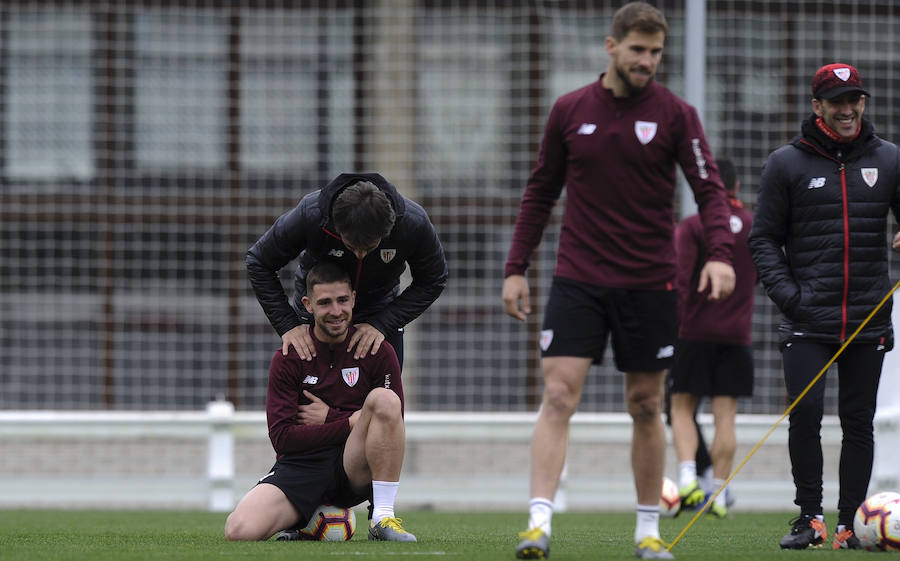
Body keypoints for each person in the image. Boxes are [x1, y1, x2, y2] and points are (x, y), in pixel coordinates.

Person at [502, 3, 736, 559]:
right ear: (612, 47)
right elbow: (540, 193)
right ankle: (538, 523)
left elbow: (709, 190)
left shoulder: (678, 115)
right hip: (578, 279)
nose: (647, 62)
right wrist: (515, 267)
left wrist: (721, 253)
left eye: (656, 53)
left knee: (645, 405)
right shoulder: (570, 110)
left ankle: (648, 531)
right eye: (637, 50)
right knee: (558, 395)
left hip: (650, 283)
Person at [749, 63, 900, 550]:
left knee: (858, 421)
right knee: (805, 414)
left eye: (855, 99)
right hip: (807, 319)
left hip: (867, 317)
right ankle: (809, 519)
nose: (848, 109)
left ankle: (847, 526)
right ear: (817, 107)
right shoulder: (785, 164)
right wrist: (791, 297)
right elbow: (763, 240)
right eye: (837, 101)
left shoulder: (890, 159)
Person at [224, 261, 417, 542]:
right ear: (308, 304)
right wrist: (347, 421)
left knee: (385, 400)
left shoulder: (378, 350)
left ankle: (383, 517)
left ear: (353, 298)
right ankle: (305, 520)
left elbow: (392, 422)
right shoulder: (289, 356)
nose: (336, 311)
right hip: (302, 467)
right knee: (239, 531)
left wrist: (332, 417)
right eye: (325, 303)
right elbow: (282, 439)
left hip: (353, 466)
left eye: (342, 300)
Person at [247, 172, 448, 368]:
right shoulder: (311, 214)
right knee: (309, 400)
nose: (360, 255)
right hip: (317, 316)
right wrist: (288, 325)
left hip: (379, 315)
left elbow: (433, 279)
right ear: (336, 226)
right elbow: (259, 261)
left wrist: (384, 323)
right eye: (352, 247)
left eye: (370, 248)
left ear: (387, 231)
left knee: (384, 399)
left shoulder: (413, 223)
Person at [669, 158, 757, 519]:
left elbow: (679, 278)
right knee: (726, 417)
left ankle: (689, 479)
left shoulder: (693, 226)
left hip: (694, 330)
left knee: (681, 407)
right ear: (736, 188)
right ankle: (719, 493)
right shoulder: (754, 226)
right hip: (737, 334)